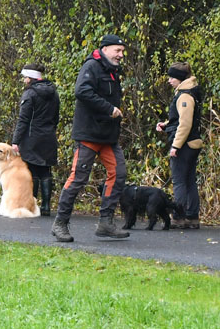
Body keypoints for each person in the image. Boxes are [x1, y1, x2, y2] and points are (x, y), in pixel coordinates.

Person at [52, 34, 131, 242]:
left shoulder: (113, 71)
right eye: (118, 50)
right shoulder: (91, 67)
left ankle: (106, 222)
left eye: (122, 51)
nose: (121, 55)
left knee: (119, 173)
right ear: (105, 49)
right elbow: (82, 91)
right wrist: (109, 109)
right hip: (89, 135)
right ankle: (60, 223)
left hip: (108, 136)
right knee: (78, 178)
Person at [155, 62, 204, 229]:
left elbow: (185, 124)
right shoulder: (189, 93)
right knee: (190, 180)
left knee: (179, 181)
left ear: (180, 78)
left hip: (185, 144)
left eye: (172, 77)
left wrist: (175, 146)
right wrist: (166, 124)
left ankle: (179, 216)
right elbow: (180, 120)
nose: (169, 80)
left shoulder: (184, 97)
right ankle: (192, 216)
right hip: (193, 142)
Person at [11, 62, 60, 216]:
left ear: (31, 77)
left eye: (25, 77)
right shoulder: (54, 93)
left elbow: (23, 120)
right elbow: (56, 117)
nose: (24, 80)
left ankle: (32, 205)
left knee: (32, 171)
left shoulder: (29, 94)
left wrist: (15, 141)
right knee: (46, 171)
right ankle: (46, 206)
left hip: (32, 137)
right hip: (49, 136)